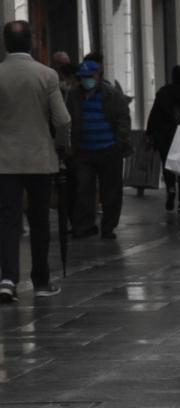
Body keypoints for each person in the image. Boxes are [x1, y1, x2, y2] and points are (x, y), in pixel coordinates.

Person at [0, 21, 70, 302]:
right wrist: (60, 147)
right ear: (31, 42)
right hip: (40, 159)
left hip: (4, 161)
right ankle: (40, 279)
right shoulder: (47, 75)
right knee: (40, 220)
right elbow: (63, 120)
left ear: (5, 43)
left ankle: (7, 279)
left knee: (7, 221)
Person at [67, 59, 131, 240]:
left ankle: (108, 227)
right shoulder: (74, 95)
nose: (86, 80)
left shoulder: (111, 94)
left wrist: (120, 141)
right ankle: (83, 226)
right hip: (84, 151)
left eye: (90, 76)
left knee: (110, 192)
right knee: (83, 190)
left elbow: (123, 118)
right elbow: (68, 118)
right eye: (83, 77)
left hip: (109, 150)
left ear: (98, 75)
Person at [146, 65, 180, 213]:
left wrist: (149, 132)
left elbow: (154, 113)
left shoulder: (163, 92)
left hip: (164, 134)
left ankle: (171, 188)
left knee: (168, 165)